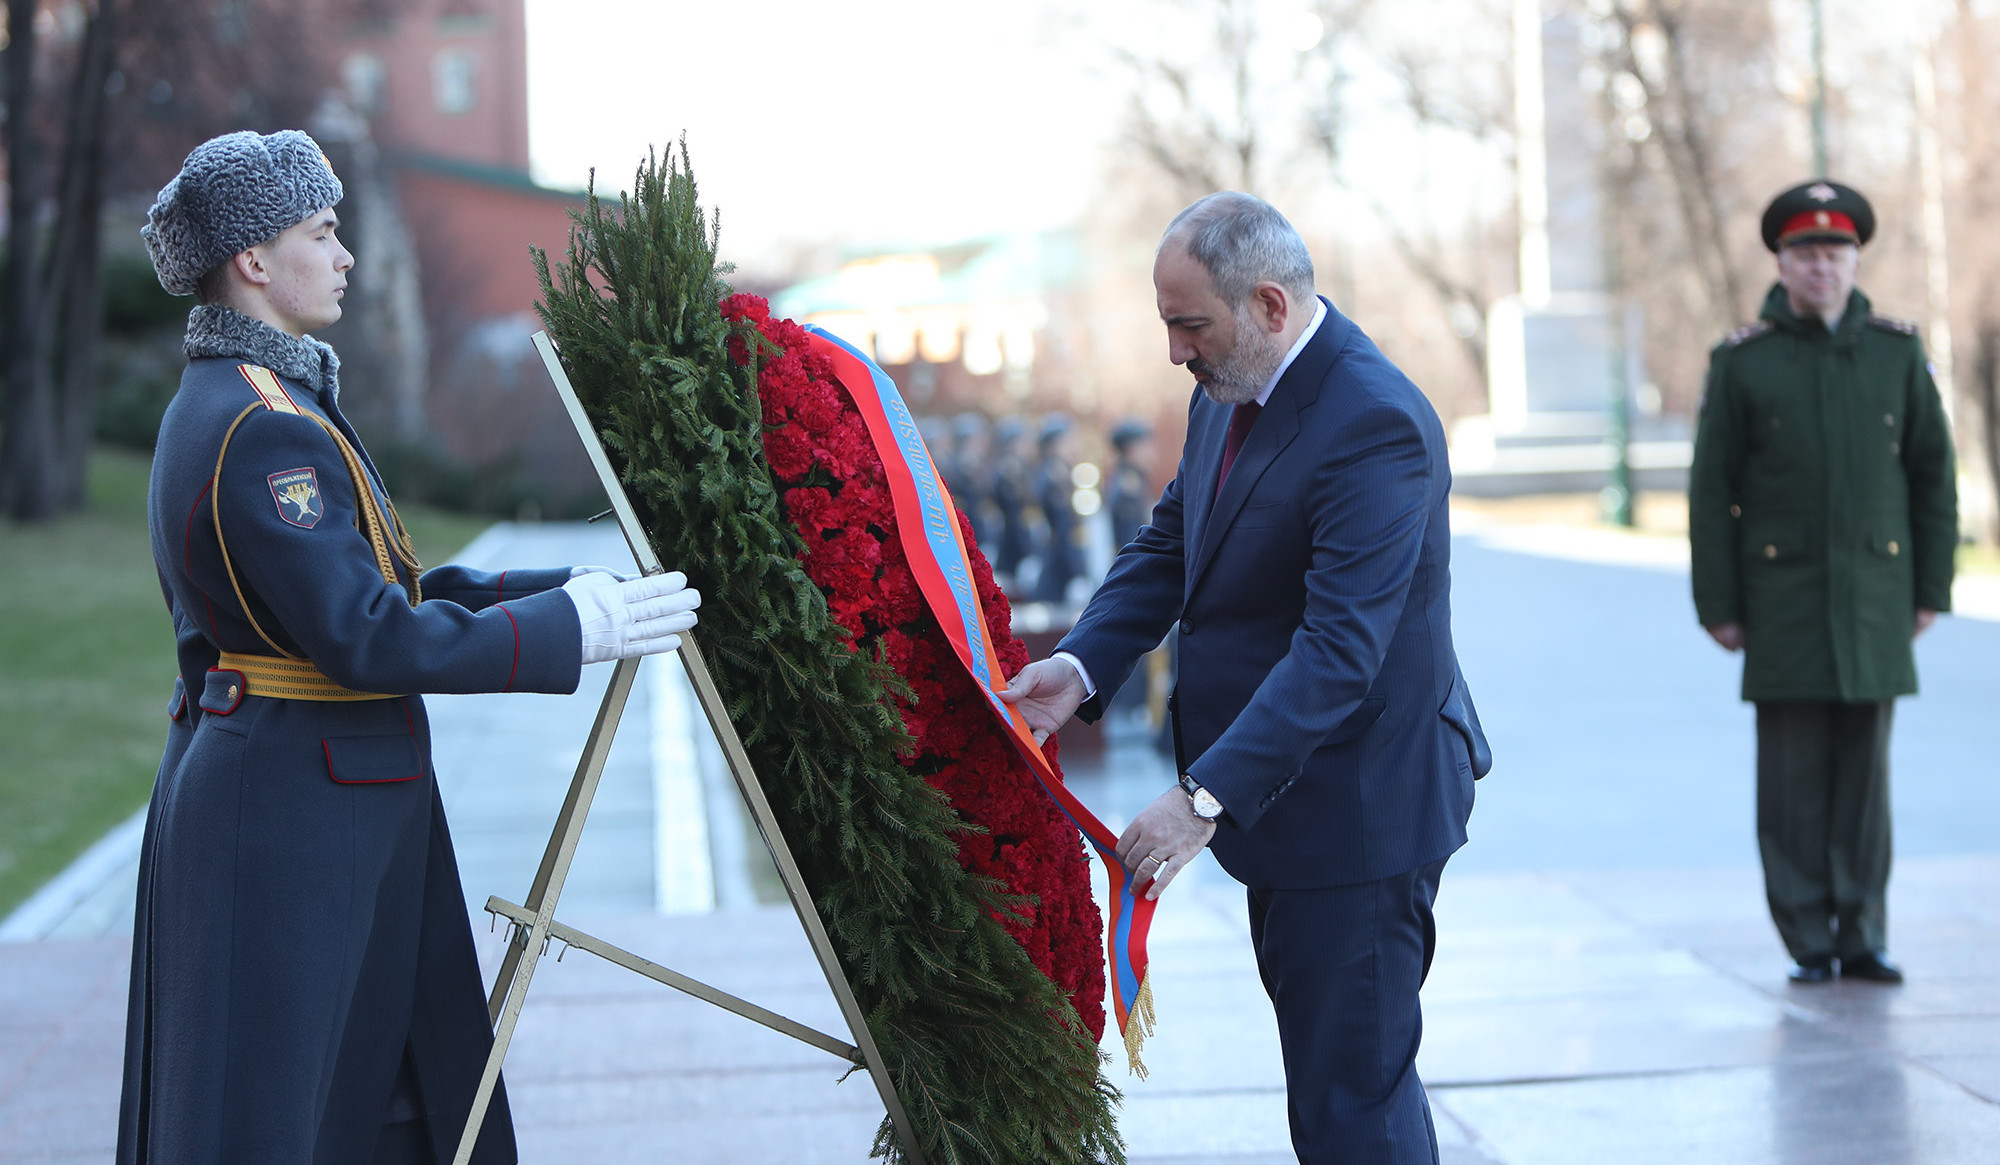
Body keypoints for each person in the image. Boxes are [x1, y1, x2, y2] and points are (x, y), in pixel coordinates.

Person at [121, 130, 701, 1165]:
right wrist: (568, 634)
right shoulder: (263, 424)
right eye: (321, 232)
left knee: (365, 1102)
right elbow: (367, 635)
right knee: (273, 1118)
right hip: (292, 811)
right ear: (254, 259)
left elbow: (381, 588)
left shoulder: (265, 398)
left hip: (313, 796)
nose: (344, 255)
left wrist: (568, 593)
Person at [1003, 192, 1489, 1164]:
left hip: (1359, 808)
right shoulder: (1226, 386)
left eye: (1191, 326)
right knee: (1338, 1085)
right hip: (1294, 808)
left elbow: (1339, 650)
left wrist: (1202, 797)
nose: (1175, 351)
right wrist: (1080, 663)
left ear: (1268, 304)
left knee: (1353, 1099)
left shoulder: (1373, 421)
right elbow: (1171, 543)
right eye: (1168, 325)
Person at [1688, 179, 1956, 986]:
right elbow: (1712, 492)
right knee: (1793, 784)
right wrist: (1719, 605)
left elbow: (1933, 478)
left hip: (1875, 599)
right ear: (1782, 262)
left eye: (1835, 252)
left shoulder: (1897, 354)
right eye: (1805, 253)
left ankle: (1863, 931)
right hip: (1784, 604)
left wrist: (1930, 589)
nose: (1822, 266)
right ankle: (1808, 937)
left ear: (1855, 261)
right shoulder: (1744, 362)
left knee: (1865, 784)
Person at [1033, 412, 1082, 603]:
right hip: (1058, 572)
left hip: (1059, 568)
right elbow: (1063, 531)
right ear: (1055, 445)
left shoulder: (1058, 474)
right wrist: (1076, 572)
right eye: (1070, 441)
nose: (1075, 447)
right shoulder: (1055, 478)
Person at [1104, 417, 1156, 552]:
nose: (1152, 454)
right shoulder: (1128, 488)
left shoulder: (1134, 480)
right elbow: (1132, 542)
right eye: (1146, 446)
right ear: (1131, 449)